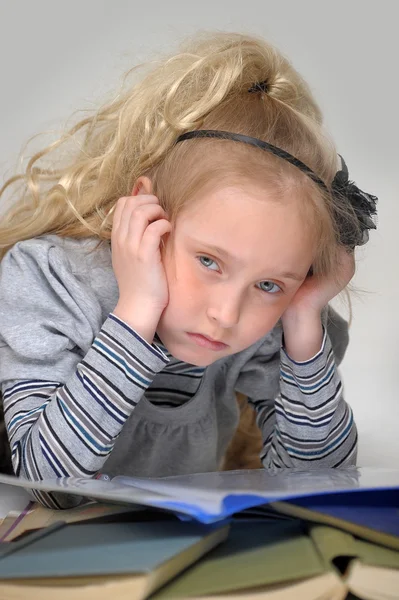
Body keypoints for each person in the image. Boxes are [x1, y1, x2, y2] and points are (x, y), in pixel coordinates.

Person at [0, 32, 377, 508]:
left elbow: (321, 488)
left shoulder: (275, 326)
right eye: (209, 261)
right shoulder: (51, 279)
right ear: (145, 211)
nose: (225, 313)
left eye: (268, 283)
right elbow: (50, 487)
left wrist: (303, 328)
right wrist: (137, 312)